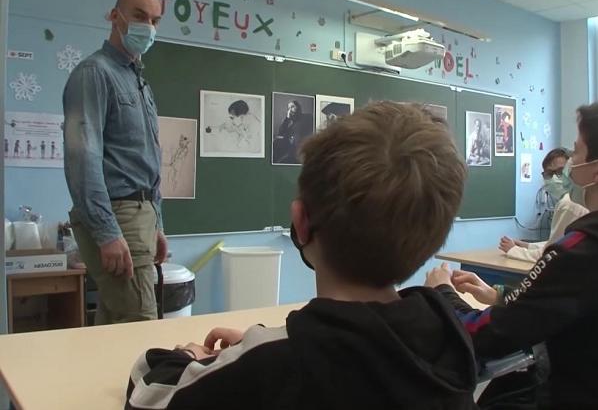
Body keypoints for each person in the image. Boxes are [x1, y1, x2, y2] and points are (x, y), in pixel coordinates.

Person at [125, 102, 478, 409]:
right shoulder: (449, 340)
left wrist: (192, 357)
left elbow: (147, 393)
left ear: (300, 222)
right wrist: (269, 341)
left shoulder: (273, 366)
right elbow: (365, 349)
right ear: (432, 239)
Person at [426, 101, 598, 409]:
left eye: (577, 152)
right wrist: (500, 296)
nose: (572, 162)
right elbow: (562, 302)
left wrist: (443, 294)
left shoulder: (581, 251)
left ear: (596, 171)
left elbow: (488, 336)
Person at [63, 0, 167, 325]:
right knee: (141, 328)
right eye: (139, 16)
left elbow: (145, 159)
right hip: (119, 213)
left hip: (141, 215)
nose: (148, 27)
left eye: (155, 20)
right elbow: (83, 159)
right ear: (114, 16)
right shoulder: (94, 73)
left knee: (114, 327)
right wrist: (107, 232)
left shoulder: (138, 81)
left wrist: (157, 224)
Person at [499, 148, 588, 262]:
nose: (555, 178)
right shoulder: (579, 198)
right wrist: (527, 245)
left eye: (560, 172)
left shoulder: (567, 204)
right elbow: (559, 242)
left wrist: (514, 250)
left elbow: (550, 254)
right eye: (549, 174)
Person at [272, 99, 313, 164]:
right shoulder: (292, 124)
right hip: (292, 152)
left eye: (292, 107)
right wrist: (287, 118)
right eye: (288, 108)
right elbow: (281, 132)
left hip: (303, 153)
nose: (290, 110)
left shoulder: (308, 117)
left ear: (298, 107)